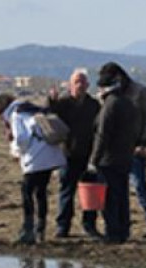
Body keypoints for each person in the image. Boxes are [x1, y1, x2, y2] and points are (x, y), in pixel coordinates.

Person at [96, 62, 146, 238]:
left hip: (134, 149)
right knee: (117, 190)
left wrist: (142, 142)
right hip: (115, 151)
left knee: (139, 187)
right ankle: (118, 227)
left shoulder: (140, 92)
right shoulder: (108, 96)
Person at [0, 93, 66, 244]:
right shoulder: (30, 108)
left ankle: (28, 229)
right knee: (41, 192)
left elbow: (21, 139)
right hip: (50, 156)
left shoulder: (16, 115)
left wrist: (15, 150)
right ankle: (41, 229)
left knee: (27, 192)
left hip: (35, 159)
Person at [46, 70, 102, 238]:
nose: (80, 85)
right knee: (66, 192)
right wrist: (51, 101)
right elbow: (49, 118)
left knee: (90, 193)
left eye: (83, 82)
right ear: (70, 85)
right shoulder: (63, 103)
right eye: (77, 82)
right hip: (67, 155)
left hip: (88, 155)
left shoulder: (94, 105)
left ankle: (89, 225)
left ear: (88, 85)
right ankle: (63, 226)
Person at [89, 67, 139, 244]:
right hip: (125, 156)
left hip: (109, 159)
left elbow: (103, 134)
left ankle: (113, 233)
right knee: (122, 195)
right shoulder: (128, 102)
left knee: (110, 198)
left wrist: (94, 160)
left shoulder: (110, 105)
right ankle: (123, 230)